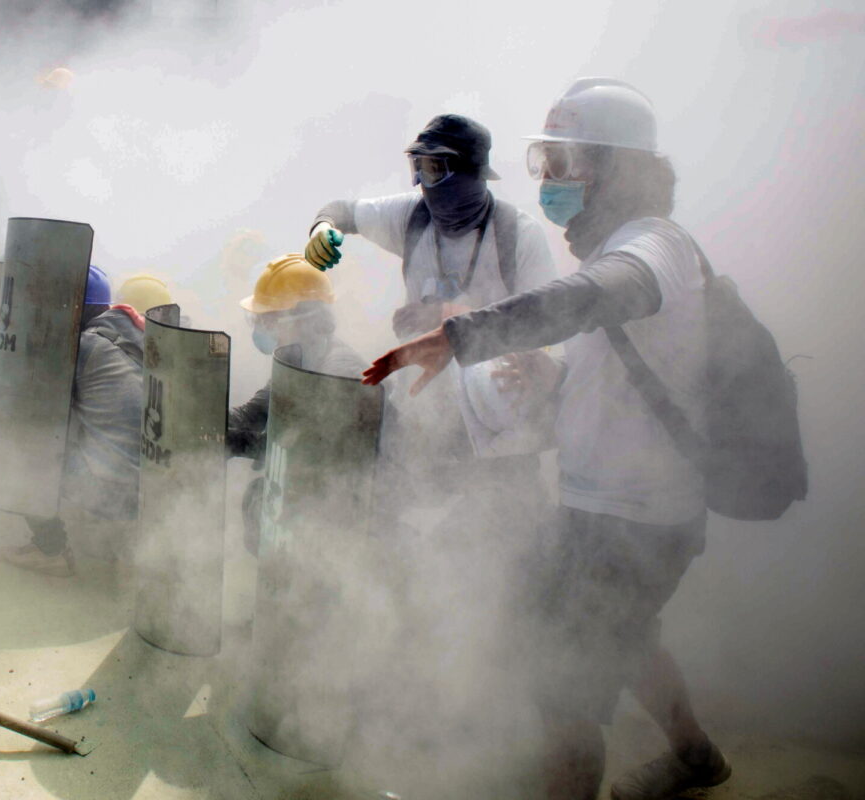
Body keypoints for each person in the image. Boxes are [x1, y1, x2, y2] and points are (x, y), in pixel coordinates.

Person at [362, 78, 729, 800]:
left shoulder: (652, 244)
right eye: (544, 163)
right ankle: (696, 758)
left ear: (615, 168)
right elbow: (629, 377)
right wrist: (549, 378)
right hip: (604, 506)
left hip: (634, 519)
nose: (549, 184)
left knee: (559, 689)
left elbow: (600, 296)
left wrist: (465, 334)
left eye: (563, 165)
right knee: (628, 639)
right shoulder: (615, 245)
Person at [302, 113, 558, 531]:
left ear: (473, 172)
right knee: (395, 534)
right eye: (416, 168)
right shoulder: (412, 216)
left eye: (434, 168)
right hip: (422, 416)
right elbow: (341, 211)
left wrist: (457, 318)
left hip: (495, 431)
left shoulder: (518, 236)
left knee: (501, 544)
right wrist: (322, 227)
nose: (422, 183)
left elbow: (550, 329)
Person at [0, 264, 146, 576]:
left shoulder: (84, 347)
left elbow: (39, 411)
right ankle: (120, 548)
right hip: (150, 491)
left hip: (114, 493)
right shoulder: (136, 332)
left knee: (24, 446)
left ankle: (49, 550)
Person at [228, 253, 365, 553]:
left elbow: (319, 456)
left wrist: (245, 445)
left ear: (305, 320)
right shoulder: (296, 364)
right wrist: (206, 423)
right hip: (310, 514)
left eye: (269, 319)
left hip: (346, 526)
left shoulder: (341, 371)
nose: (262, 329)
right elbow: (251, 414)